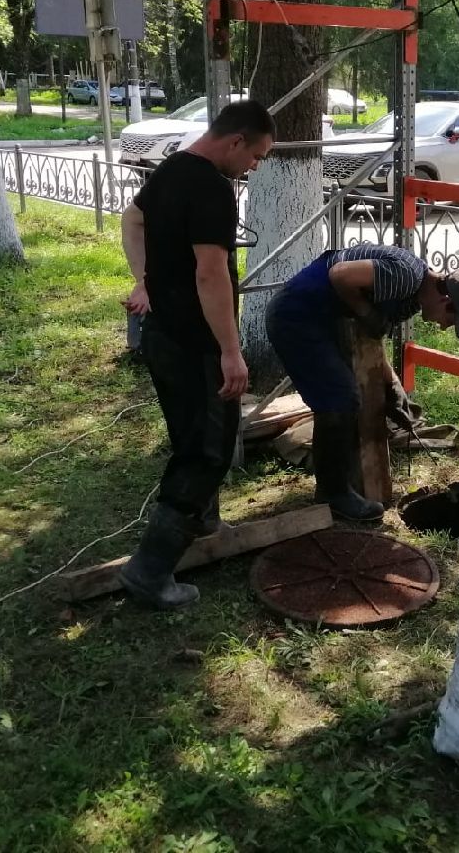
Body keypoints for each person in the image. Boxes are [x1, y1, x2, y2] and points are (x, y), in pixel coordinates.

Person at [118, 100, 275, 609]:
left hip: (161, 335)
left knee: (191, 434)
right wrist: (230, 351)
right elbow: (210, 274)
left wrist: (145, 280)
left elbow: (132, 220)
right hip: (195, 344)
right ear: (236, 142)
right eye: (256, 156)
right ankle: (149, 571)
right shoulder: (211, 187)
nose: (254, 166)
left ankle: (202, 522)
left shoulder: (172, 167)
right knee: (206, 451)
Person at [266, 243, 459, 521]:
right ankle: (333, 494)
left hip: (319, 320)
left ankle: (338, 489)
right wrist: (366, 312)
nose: (444, 326)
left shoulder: (410, 300)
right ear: (446, 301)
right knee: (339, 399)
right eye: (450, 321)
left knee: (341, 397)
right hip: (295, 315)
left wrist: (391, 385)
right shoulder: (405, 276)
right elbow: (339, 274)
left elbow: (373, 338)